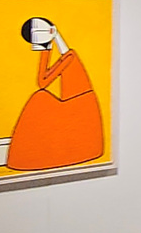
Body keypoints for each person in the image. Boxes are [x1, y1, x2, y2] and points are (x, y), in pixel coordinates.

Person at [6, 15, 107, 171]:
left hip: (79, 104)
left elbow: (43, 82)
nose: (39, 35)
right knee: (40, 98)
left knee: (39, 98)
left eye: (40, 31)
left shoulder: (70, 58)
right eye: (35, 34)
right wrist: (46, 48)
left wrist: (46, 49)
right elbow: (43, 78)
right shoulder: (66, 57)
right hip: (71, 102)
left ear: (52, 30)